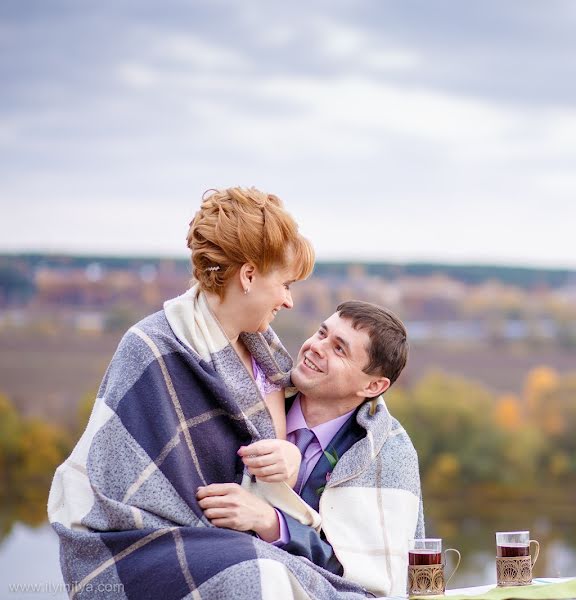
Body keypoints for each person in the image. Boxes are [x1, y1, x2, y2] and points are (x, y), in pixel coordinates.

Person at [47, 187, 369, 599]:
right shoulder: (151, 346)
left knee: (281, 575)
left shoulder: (265, 354)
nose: (289, 301)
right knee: (260, 576)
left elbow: (272, 465)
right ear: (249, 276)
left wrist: (286, 459)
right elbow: (119, 484)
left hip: (246, 540)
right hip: (150, 547)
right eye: (285, 284)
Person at [198, 300, 425, 597]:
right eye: (322, 333)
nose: (317, 347)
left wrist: (272, 523)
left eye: (339, 349)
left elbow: (367, 578)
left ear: (372, 387)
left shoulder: (389, 456)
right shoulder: (248, 405)